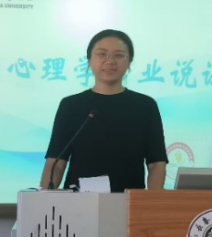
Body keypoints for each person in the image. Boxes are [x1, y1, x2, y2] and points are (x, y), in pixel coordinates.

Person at [40, 29, 168, 192]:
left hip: (129, 202)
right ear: (89, 61)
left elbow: (156, 163)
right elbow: (55, 163)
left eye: (119, 55)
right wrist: (42, 199)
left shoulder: (145, 106)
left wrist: (152, 202)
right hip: (79, 201)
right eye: (102, 54)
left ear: (129, 62)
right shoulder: (71, 105)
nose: (110, 61)